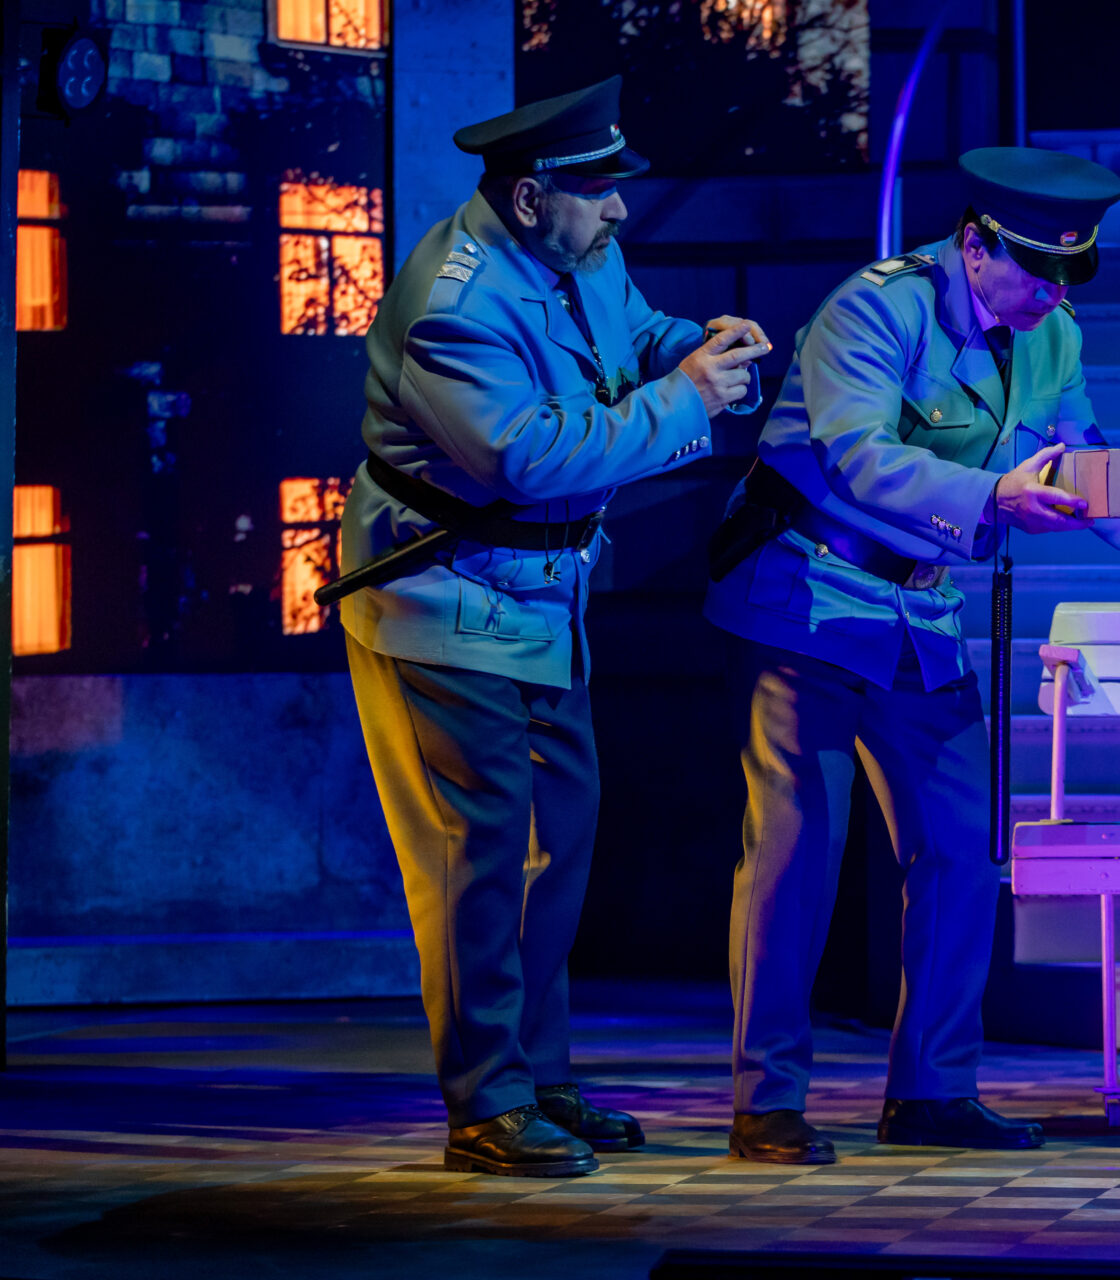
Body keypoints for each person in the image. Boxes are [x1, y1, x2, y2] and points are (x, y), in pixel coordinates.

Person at [705, 146, 1120, 1165]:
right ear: (976, 244)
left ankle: (933, 1089)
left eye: (1070, 273)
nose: (1053, 293)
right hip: (808, 600)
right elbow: (856, 454)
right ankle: (767, 1099)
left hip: (920, 612)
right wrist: (992, 494)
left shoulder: (1052, 330)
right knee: (795, 852)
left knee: (961, 847)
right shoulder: (877, 308)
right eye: (1038, 270)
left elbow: (1075, 459)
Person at [337, 76, 769, 1177]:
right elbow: (530, 457)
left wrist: (701, 342)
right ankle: (486, 1101)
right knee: (477, 857)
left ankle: (538, 1077)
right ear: (532, 199)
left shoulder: (579, 251)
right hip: (442, 604)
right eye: (598, 191)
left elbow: (632, 334)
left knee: (556, 846)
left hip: (541, 605)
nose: (620, 208)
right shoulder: (455, 305)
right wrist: (690, 397)